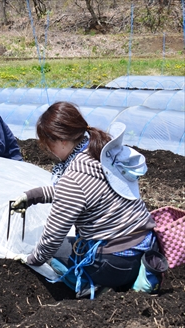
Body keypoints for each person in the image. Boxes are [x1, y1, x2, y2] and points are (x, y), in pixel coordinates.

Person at [11, 101, 159, 299]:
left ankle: (97, 288)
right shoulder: (99, 152)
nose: (49, 151)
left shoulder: (74, 177)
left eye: (49, 145)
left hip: (117, 264)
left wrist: (31, 259)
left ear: (62, 141)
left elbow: (51, 239)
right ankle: (135, 279)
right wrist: (33, 196)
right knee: (70, 244)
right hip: (147, 249)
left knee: (56, 251)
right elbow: (80, 194)